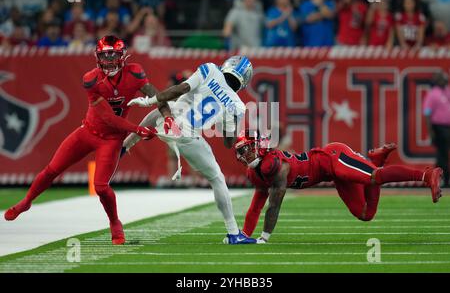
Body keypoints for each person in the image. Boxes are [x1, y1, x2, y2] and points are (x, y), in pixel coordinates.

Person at [4, 35, 178, 245]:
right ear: (98, 57)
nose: (109, 60)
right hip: (88, 132)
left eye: (113, 54)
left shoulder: (135, 72)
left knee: (101, 187)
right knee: (52, 169)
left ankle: (115, 223)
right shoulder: (91, 78)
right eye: (105, 55)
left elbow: (157, 96)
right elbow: (107, 117)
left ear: (123, 56)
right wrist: (137, 130)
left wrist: (168, 117)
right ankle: (26, 201)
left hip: (112, 140)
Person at [124, 56, 257, 244]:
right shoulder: (237, 105)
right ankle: (233, 232)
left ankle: (127, 144)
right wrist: (229, 125)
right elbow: (228, 143)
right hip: (189, 136)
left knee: (161, 111)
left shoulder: (210, 69)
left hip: (172, 124)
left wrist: (151, 100)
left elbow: (180, 89)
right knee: (217, 179)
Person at [233, 130, 443, 243]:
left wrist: (264, 238)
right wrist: (245, 235)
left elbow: (274, 205)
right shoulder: (257, 172)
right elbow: (256, 206)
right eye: (241, 152)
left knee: (374, 177)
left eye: (248, 149)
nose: (244, 155)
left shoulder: (274, 165)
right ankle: (376, 160)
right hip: (331, 174)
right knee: (365, 213)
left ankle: (426, 175)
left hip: (332, 158)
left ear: (260, 146)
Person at [423, 72, 450, 188]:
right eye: (443, 78)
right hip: (439, 127)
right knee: (442, 154)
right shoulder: (433, 94)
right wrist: (431, 131)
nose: (446, 80)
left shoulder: (448, 91)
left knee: (444, 154)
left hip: (448, 126)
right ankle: (442, 178)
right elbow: (427, 112)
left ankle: (439, 177)